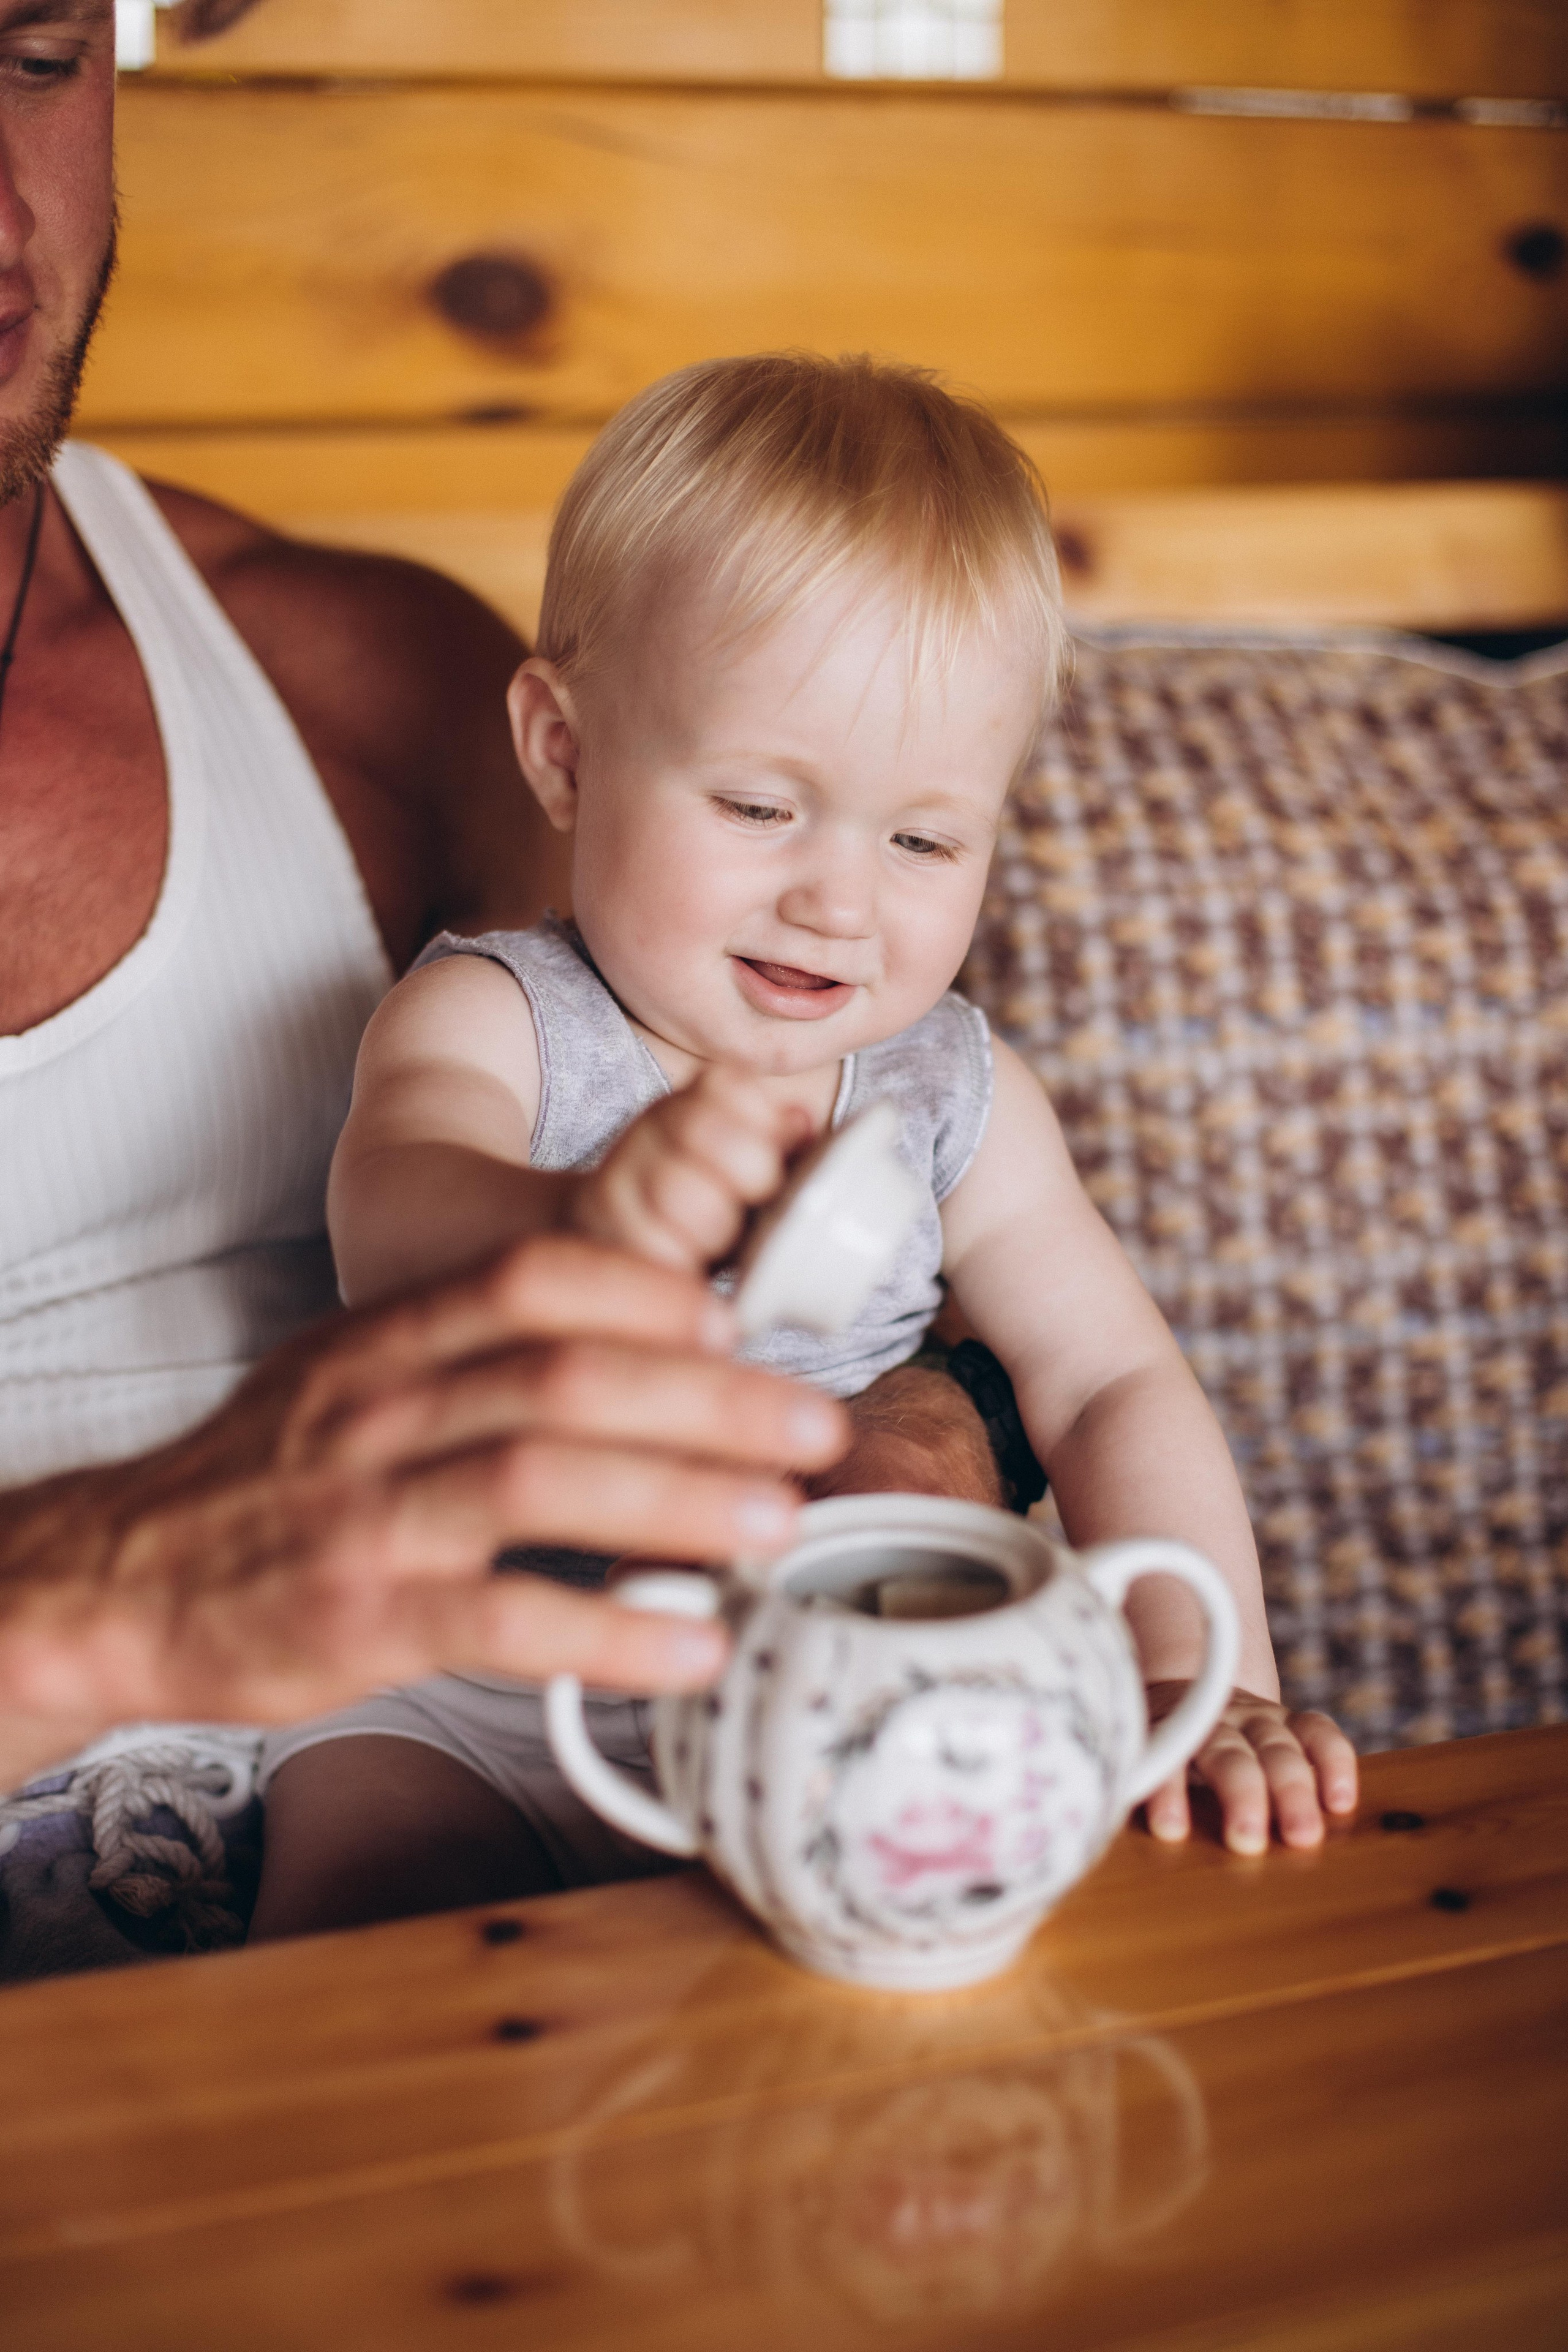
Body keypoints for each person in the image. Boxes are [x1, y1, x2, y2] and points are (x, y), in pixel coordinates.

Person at [0, 8, 993, 1839]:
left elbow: (742, 1152)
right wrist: (93, 1607)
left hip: (537, 1802)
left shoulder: (369, 683)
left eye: (34, 51)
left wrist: (926, 1426)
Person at [252, 355, 1359, 1942]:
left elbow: (1109, 1380)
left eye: (922, 840)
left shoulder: (952, 1093)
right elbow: (395, 1212)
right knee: (369, 1934)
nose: (840, 900)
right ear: (564, 754)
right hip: (457, 1693)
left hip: (826, 1700)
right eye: (762, 807)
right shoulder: (499, 1017)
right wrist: (582, 1227)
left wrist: (1213, 1676)